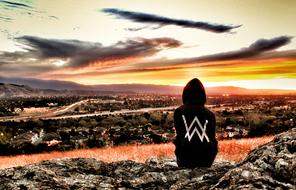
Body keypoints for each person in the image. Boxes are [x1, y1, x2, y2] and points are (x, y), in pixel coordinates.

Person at [174, 78, 217, 168]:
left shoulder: (179, 112)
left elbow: (179, 137)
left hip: (185, 160)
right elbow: (212, 140)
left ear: (185, 94)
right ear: (203, 95)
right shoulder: (210, 114)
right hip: (207, 160)